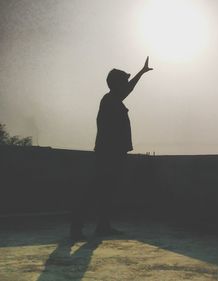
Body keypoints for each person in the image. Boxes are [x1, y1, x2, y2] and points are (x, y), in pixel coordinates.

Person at [70, 57, 153, 240]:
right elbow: (128, 90)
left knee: (107, 190)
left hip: (114, 153)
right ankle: (77, 226)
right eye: (123, 80)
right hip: (109, 154)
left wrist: (141, 72)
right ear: (116, 84)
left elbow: (128, 88)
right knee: (96, 189)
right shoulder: (110, 100)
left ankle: (103, 225)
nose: (126, 84)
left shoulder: (113, 98)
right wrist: (140, 72)